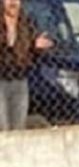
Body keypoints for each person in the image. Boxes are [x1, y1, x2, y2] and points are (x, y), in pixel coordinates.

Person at [0, 0, 53, 131]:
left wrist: (37, 45)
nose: (13, 2)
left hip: (20, 79)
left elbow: (32, 47)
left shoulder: (26, 23)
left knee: (18, 126)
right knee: (3, 126)